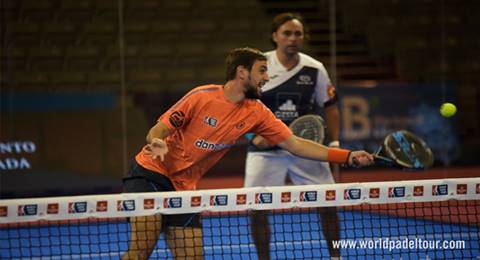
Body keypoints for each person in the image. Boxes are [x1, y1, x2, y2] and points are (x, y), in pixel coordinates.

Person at [121, 47, 373, 260]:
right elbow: (159, 129)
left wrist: (347, 156)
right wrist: (156, 142)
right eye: (262, 70)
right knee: (142, 249)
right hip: (150, 174)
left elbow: (296, 144)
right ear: (242, 72)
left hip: (184, 187)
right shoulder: (201, 97)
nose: (267, 76)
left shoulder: (257, 112)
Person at [244, 13, 343, 259]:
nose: (292, 38)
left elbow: (330, 105)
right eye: (286, 33)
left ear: (303, 38)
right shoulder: (259, 65)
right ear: (275, 36)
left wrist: (334, 143)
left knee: (328, 204)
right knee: (256, 209)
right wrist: (252, 136)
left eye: (297, 33)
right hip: (265, 152)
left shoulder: (315, 68)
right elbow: (240, 105)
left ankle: (336, 256)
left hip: (305, 147)